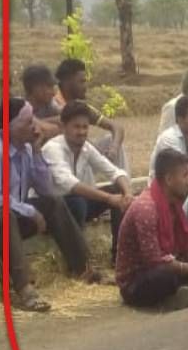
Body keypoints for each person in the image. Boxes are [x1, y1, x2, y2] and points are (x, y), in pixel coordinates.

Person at [0, 100, 95, 311]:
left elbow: (45, 189)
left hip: (14, 219)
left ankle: (84, 268)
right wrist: (30, 211)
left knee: (53, 202)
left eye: (33, 120)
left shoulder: (25, 148)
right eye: (27, 122)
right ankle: (24, 289)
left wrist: (36, 151)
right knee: (6, 214)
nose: (35, 127)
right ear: (10, 128)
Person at [115, 149, 188, 311]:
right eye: (185, 175)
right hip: (138, 280)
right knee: (165, 276)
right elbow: (155, 261)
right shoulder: (146, 208)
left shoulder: (175, 204)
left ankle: (185, 295)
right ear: (169, 179)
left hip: (170, 263)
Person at [42, 100, 132, 263]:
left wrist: (128, 194)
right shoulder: (53, 148)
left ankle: (119, 257)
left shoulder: (85, 147)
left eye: (85, 127)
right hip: (52, 212)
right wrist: (108, 198)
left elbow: (113, 171)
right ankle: (79, 262)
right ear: (63, 127)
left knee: (117, 192)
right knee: (78, 201)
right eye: (76, 127)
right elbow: (71, 185)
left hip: (77, 207)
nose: (82, 132)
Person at [48, 60, 127, 169]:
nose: (85, 86)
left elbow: (117, 127)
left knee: (111, 140)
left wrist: (114, 149)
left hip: (83, 155)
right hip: (61, 161)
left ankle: (123, 184)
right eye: (81, 81)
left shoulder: (80, 107)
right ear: (67, 82)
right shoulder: (53, 105)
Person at [150, 96, 188, 184]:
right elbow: (186, 171)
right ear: (180, 120)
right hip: (163, 193)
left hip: (183, 190)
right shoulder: (169, 138)